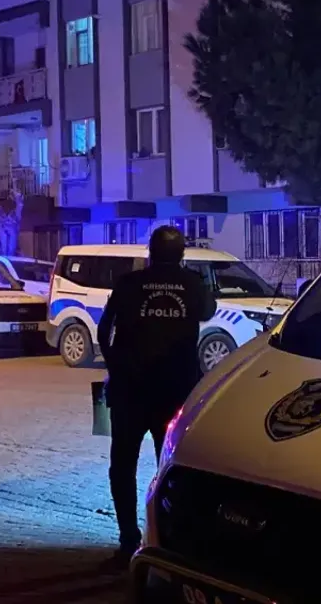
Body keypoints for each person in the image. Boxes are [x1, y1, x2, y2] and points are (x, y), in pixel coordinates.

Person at [97, 225, 216, 568]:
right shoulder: (193, 284)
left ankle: (128, 542)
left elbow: (104, 331)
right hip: (174, 393)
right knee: (171, 470)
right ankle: (168, 542)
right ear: (181, 254)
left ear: (150, 252)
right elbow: (208, 311)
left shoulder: (129, 283)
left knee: (123, 467)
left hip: (130, 392)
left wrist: (116, 367)